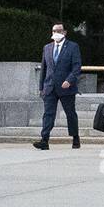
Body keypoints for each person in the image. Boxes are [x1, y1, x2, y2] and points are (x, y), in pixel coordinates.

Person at [34, 22, 82, 150]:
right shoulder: (47, 48)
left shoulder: (72, 47)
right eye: (54, 30)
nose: (56, 33)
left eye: (59, 31)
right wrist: (41, 87)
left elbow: (77, 67)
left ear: (64, 32)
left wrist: (69, 80)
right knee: (48, 114)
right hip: (50, 86)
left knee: (70, 113)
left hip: (66, 87)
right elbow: (44, 69)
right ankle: (44, 139)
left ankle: (75, 137)